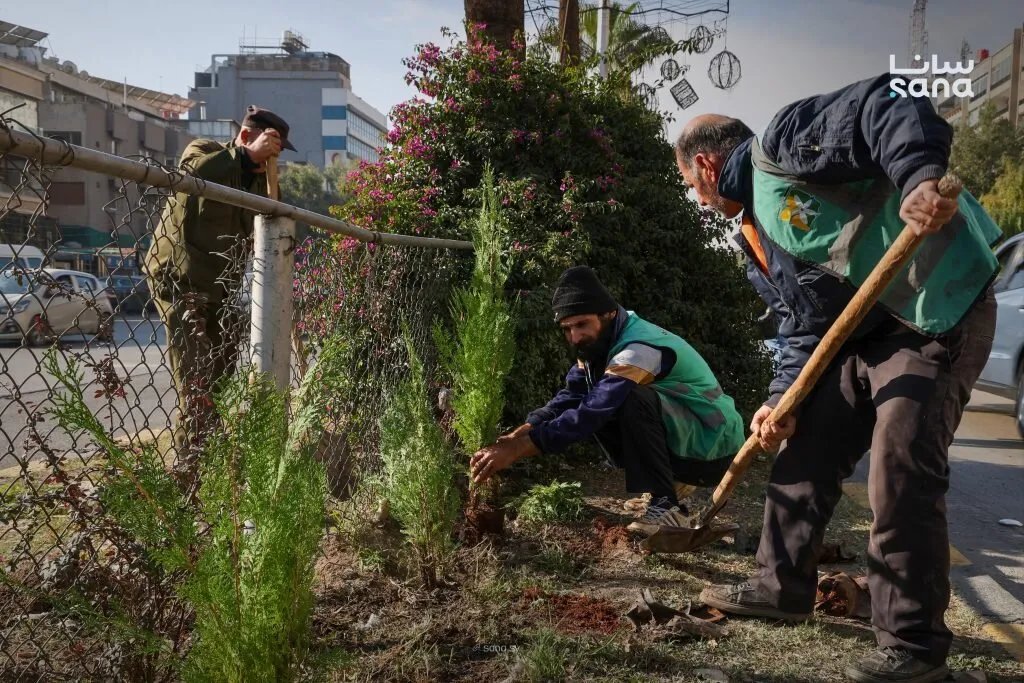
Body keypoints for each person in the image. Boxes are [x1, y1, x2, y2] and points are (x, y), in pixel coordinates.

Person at [674, 74, 1000, 683]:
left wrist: (919, 178)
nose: (697, 198)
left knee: (900, 469)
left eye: (692, 185)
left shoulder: (785, 143)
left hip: (936, 313)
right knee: (805, 454)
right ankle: (779, 589)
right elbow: (805, 327)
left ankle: (914, 647)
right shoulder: (757, 236)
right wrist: (782, 401)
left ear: (707, 163)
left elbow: (892, 96)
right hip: (863, 336)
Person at [469, 266, 745, 533]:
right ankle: (668, 484)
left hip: (714, 442)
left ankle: (666, 505)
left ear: (609, 314)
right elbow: (571, 396)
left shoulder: (637, 348)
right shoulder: (596, 345)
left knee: (625, 400)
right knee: (608, 397)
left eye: (581, 324)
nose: (574, 336)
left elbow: (592, 412)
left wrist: (518, 450)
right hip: (690, 434)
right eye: (566, 328)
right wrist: (522, 432)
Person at [145, 105, 296, 459]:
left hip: (220, 290)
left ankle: (210, 457)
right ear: (246, 136)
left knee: (220, 377)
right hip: (180, 280)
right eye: (266, 147)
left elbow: (271, 225)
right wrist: (244, 157)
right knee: (197, 379)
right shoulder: (204, 152)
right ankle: (190, 470)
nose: (268, 159)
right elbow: (191, 176)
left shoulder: (261, 181)